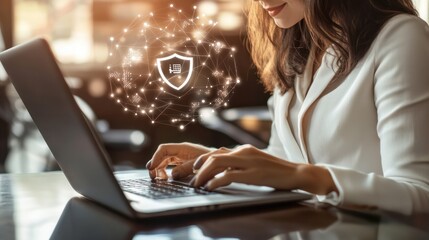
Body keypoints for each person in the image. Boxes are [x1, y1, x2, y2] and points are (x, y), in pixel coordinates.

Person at [146, 0, 429, 215]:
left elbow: (420, 194)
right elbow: (282, 159)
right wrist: (217, 161)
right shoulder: (299, 44)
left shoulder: (402, 38)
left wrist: (304, 176)